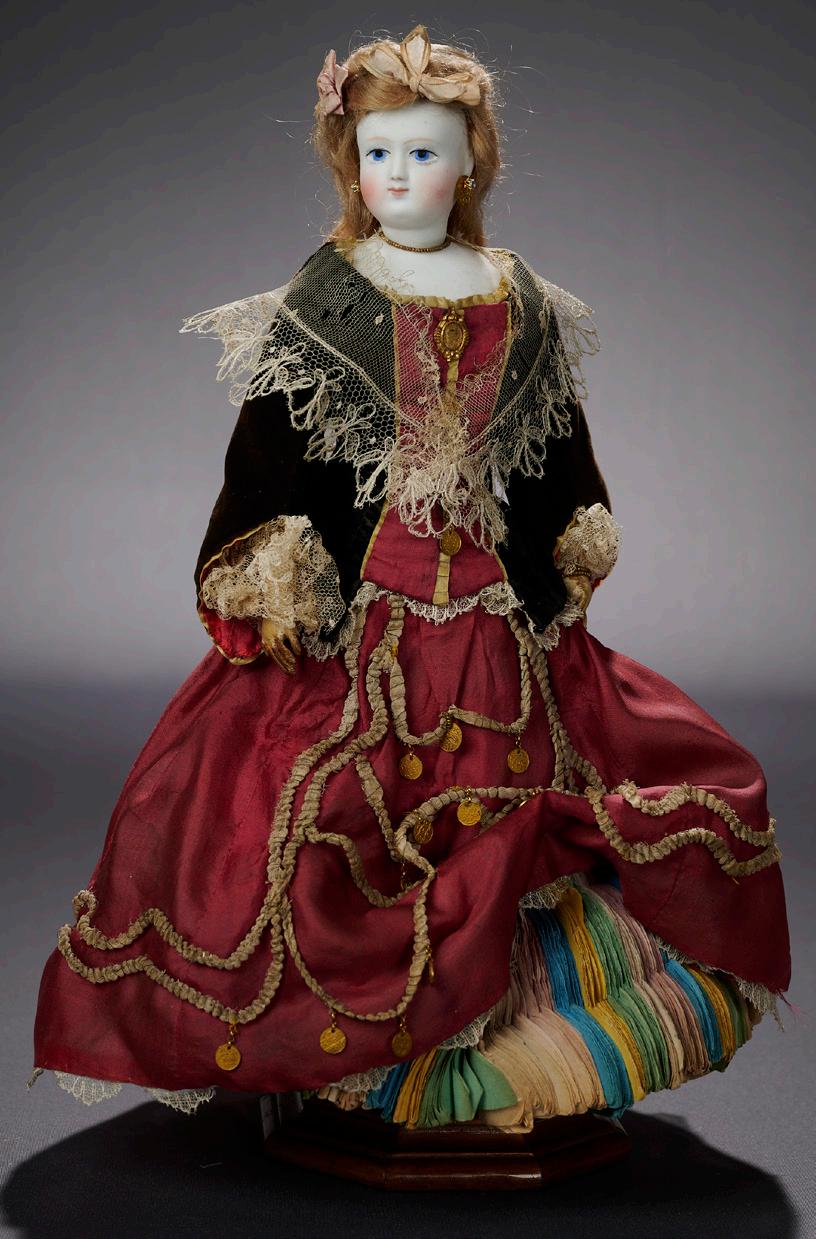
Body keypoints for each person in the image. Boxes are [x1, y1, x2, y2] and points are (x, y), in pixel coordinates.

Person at [30, 25, 790, 1132]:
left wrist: (564, 559)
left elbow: (558, 461)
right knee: (309, 822)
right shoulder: (329, 296)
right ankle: (377, 1058)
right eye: (378, 152)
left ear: (472, 160)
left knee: (554, 804)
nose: (397, 174)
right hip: (366, 625)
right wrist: (272, 573)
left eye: (424, 152)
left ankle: (512, 1030)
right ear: (351, 161)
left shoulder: (520, 297)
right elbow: (268, 463)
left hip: (495, 625)